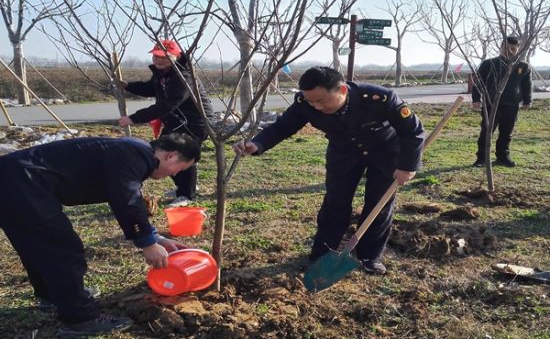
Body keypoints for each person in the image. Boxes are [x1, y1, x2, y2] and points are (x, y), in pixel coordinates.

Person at [0, 133, 200, 336]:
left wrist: (156, 238)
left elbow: (130, 197)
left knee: (37, 246)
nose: (175, 174)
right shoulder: (136, 155)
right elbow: (126, 200)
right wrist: (147, 244)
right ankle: (81, 319)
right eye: (180, 169)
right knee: (63, 250)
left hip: (12, 178)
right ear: (172, 156)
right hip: (25, 183)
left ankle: (53, 295)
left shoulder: (134, 150)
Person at [233, 67, 425, 275]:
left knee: (378, 204)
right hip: (344, 152)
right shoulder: (305, 103)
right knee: (335, 202)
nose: (316, 106)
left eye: (321, 101)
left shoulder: (379, 98)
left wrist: (407, 166)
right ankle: (323, 253)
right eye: (311, 101)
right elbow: (283, 126)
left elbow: (412, 131)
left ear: (342, 89)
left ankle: (370, 256)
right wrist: (258, 144)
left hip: (385, 152)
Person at [118, 39, 213, 206]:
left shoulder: (183, 77)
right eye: (156, 56)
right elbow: (150, 88)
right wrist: (127, 86)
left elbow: (166, 105)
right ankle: (183, 187)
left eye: (164, 56)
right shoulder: (163, 74)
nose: (158, 60)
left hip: (195, 123)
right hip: (177, 122)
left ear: (176, 57)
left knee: (182, 155)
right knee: (163, 152)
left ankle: (187, 195)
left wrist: (134, 118)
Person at [472, 36, 532, 167]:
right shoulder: (489, 64)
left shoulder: (523, 66)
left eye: (513, 49)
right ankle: (482, 158)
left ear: (517, 49)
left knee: (506, 132)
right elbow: (478, 83)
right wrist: (476, 99)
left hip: (512, 104)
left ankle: (503, 156)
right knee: (487, 131)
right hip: (491, 103)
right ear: (500, 48)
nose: (509, 51)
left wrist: (527, 100)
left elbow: (527, 85)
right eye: (506, 48)